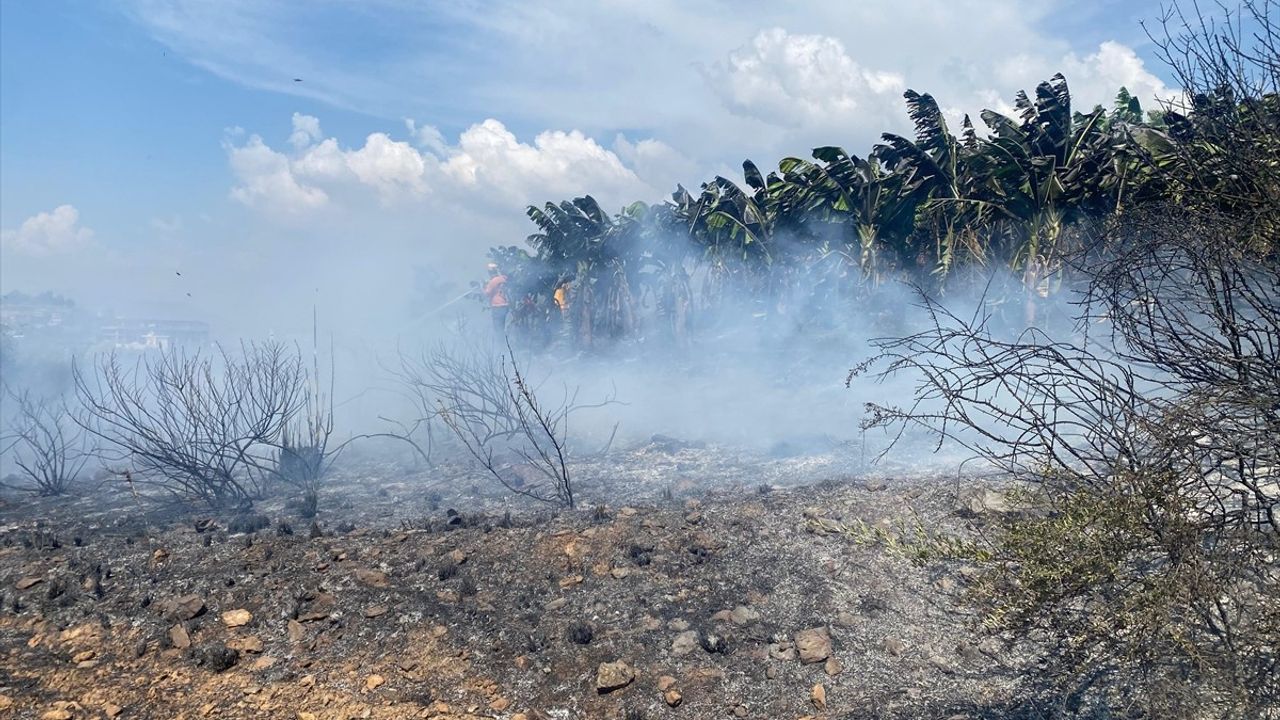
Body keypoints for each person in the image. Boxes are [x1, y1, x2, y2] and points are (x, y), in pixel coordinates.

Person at [483, 263, 509, 335]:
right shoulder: (502, 279)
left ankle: (501, 343)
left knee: (498, 329)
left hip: (497, 306)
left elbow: (487, 293)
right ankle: (503, 342)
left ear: (490, 272)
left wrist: (483, 286)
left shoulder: (493, 281)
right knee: (502, 327)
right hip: (504, 305)